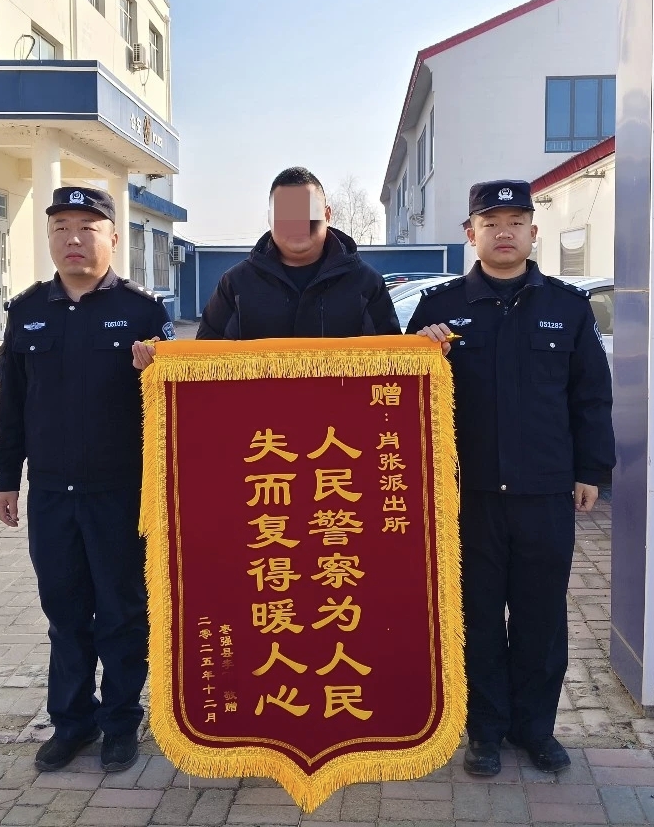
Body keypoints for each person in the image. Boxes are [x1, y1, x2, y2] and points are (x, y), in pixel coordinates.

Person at [408, 179, 614, 777]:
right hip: (467, 495)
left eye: (516, 222)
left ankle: (536, 729)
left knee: (541, 617)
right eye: (491, 222)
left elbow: (590, 396)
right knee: (475, 616)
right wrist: (417, 349)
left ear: (533, 231)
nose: (504, 232)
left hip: (545, 491)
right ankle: (485, 730)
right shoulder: (439, 309)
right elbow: (400, 392)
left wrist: (591, 469)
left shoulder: (567, 308)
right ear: (470, 234)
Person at [0, 185, 174, 773]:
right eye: (61, 228)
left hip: (121, 494)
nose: (73, 239)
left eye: (87, 228)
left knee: (122, 612)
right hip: (51, 493)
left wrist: (157, 372)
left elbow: (171, 408)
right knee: (64, 612)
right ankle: (71, 722)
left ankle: (120, 722)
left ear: (113, 238)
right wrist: (6, 475)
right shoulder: (27, 311)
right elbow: (11, 402)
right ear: (49, 238)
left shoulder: (144, 313)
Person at [195, 166, 400, 339]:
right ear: (270, 219)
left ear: (327, 214)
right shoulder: (235, 284)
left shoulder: (366, 284)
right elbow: (202, 360)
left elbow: (394, 362)